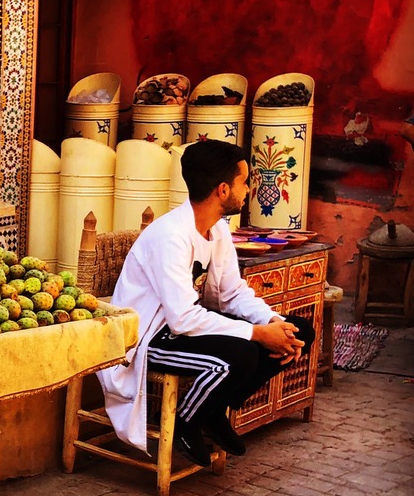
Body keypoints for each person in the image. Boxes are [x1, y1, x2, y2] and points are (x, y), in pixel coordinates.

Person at [98, 139, 315, 467]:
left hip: (183, 326)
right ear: (223, 189)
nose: (248, 190)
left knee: (300, 331)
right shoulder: (171, 236)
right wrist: (256, 334)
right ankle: (188, 423)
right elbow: (183, 319)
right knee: (240, 355)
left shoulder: (218, 230)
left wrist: (271, 322)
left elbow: (230, 294)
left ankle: (212, 411)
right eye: (244, 182)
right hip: (145, 337)